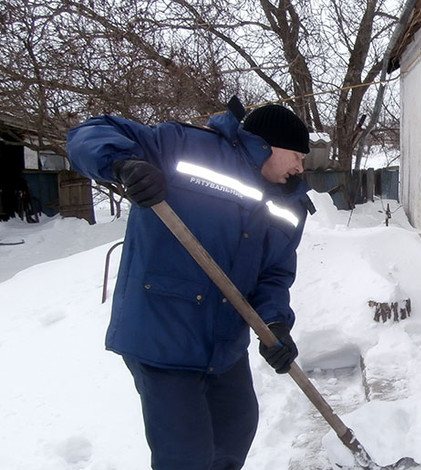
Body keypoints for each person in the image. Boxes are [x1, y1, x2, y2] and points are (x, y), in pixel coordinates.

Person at [67, 96, 314, 469]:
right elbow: (89, 133)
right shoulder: (184, 146)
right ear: (269, 144)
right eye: (297, 155)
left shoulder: (290, 203)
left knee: (236, 431)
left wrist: (275, 323)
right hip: (163, 334)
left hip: (224, 343)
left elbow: (274, 274)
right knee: (187, 456)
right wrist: (123, 164)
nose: (300, 167)